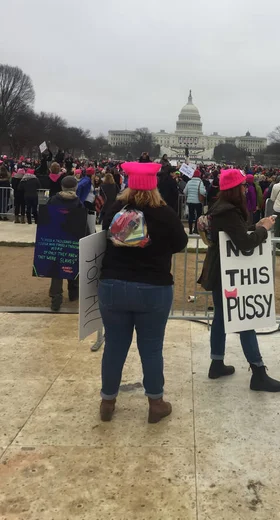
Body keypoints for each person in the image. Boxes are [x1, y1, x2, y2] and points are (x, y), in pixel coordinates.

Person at [98, 162, 188, 423]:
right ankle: (156, 402)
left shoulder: (115, 208)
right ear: (154, 185)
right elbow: (181, 243)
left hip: (113, 284)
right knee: (151, 348)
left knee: (114, 346)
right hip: (153, 287)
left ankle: (107, 401)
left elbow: (104, 234)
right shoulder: (165, 212)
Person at [198, 168, 280, 392]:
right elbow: (244, 243)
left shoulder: (221, 208)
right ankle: (258, 372)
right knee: (245, 320)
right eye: (244, 186)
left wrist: (256, 227)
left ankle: (216, 363)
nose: (246, 189)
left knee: (220, 318)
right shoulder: (227, 211)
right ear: (237, 189)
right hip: (226, 273)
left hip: (221, 271)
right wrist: (264, 230)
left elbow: (237, 233)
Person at [47, 176, 86, 311]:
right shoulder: (79, 203)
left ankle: (56, 297)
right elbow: (83, 225)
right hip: (72, 239)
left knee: (56, 269)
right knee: (72, 265)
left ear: (62, 187)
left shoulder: (53, 200)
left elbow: (46, 219)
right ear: (75, 187)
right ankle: (73, 292)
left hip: (56, 239)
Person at [184, 170, 206, 234]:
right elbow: (203, 192)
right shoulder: (200, 183)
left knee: (191, 215)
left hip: (190, 201)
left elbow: (185, 191)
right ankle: (196, 229)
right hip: (198, 202)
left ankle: (190, 230)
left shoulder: (189, 182)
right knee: (198, 216)